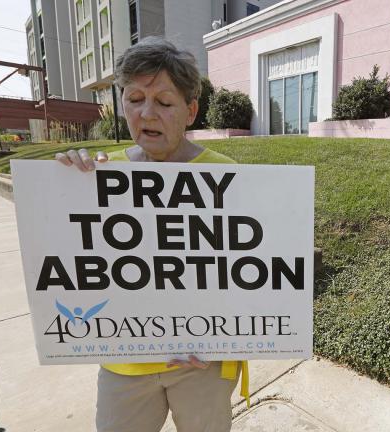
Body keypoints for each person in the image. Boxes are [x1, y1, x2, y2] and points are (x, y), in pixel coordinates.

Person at [55, 37, 247, 432]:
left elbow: (247, 273)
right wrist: (66, 184)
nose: (147, 113)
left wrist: (218, 338)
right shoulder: (97, 174)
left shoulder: (227, 175)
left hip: (203, 364)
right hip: (125, 363)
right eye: (135, 99)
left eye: (163, 102)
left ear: (190, 111)